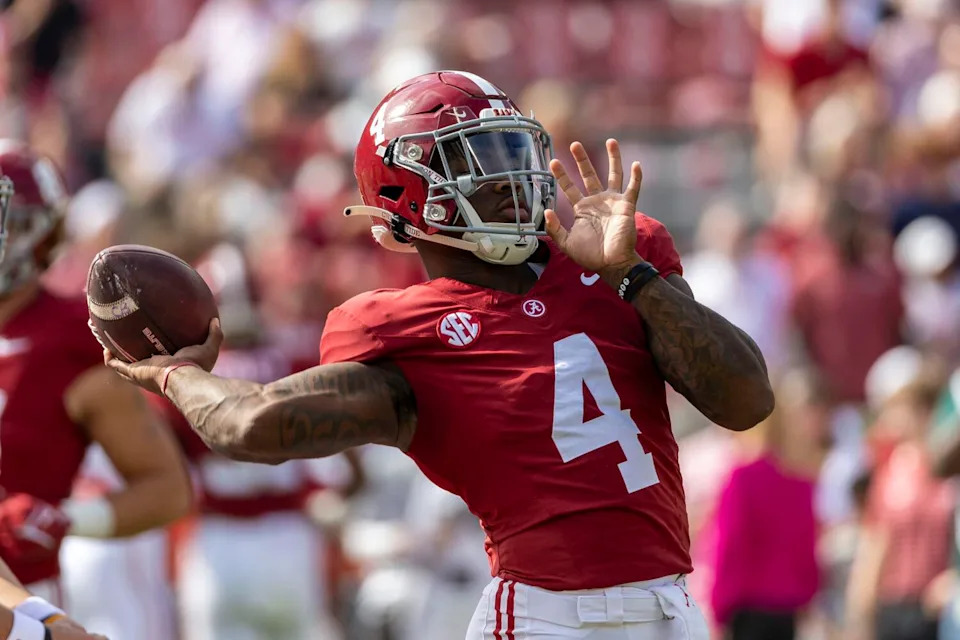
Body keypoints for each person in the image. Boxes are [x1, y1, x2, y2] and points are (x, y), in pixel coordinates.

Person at [107, 71, 774, 640]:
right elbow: (250, 424)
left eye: (514, 148)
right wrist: (175, 373)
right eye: (476, 158)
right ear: (404, 196)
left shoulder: (619, 261)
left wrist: (633, 274)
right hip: (547, 617)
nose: (512, 175)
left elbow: (745, 402)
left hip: (672, 609)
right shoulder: (410, 333)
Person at [0, 141, 192, 603]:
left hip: (22, 598)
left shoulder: (68, 341)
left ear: (37, 234)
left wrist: (66, 519)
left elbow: (166, 489)